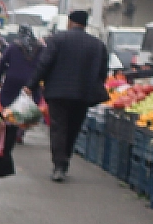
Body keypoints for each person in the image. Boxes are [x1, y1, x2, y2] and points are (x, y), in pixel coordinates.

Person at [35, 10, 111, 181]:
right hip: (83, 94)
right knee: (73, 127)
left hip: (57, 93)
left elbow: (44, 63)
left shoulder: (57, 39)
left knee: (58, 128)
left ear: (70, 22)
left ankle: (59, 164)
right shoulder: (97, 45)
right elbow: (102, 71)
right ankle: (65, 158)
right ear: (85, 24)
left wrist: (32, 84)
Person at [0, 26, 44, 108]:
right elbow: (45, 64)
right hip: (33, 81)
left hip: (13, 81)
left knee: (10, 104)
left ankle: (10, 119)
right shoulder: (41, 48)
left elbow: (2, 63)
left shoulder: (13, 47)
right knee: (30, 106)